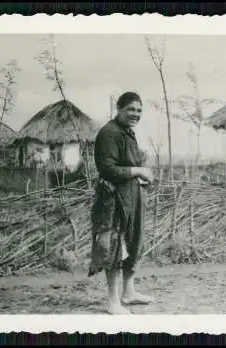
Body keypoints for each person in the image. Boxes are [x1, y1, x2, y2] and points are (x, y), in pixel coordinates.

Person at [88, 91, 154, 314]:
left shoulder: (128, 132)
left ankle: (129, 292)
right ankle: (113, 301)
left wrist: (141, 175)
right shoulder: (109, 133)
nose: (136, 114)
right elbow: (107, 168)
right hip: (113, 199)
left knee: (134, 241)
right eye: (131, 110)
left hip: (131, 196)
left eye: (139, 110)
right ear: (119, 109)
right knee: (115, 245)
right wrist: (137, 170)